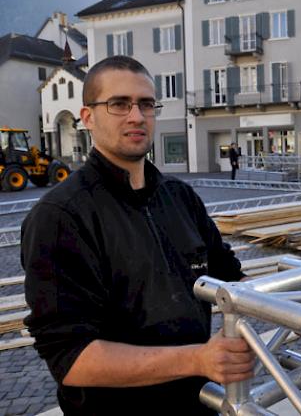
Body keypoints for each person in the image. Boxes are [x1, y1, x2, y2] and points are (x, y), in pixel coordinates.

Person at [21, 56, 254, 416]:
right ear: (88, 117)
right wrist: (199, 359)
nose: (136, 116)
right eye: (118, 104)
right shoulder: (61, 216)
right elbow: (72, 358)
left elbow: (231, 278)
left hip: (200, 405)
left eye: (146, 104)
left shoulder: (180, 198)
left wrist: (295, 303)